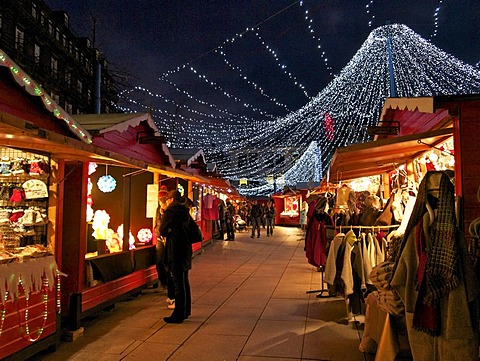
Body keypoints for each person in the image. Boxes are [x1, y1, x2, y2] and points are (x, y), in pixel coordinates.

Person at [159, 190, 192, 323]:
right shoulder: (185, 211)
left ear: (171, 199)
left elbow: (162, 230)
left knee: (177, 281)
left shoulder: (170, 211)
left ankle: (178, 314)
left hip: (175, 248)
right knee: (184, 280)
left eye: (167, 198)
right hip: (186, 248)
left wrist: (169, 230)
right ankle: (186, 310)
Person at [154, 190, 176, 309]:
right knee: (160, 263)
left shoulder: (171, 212)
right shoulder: (160, 211)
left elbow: (164, 228)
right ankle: (165, 286)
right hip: (161, 240)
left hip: (170, 242)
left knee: (169, 268)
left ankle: (173, 297)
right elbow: (158, 227)